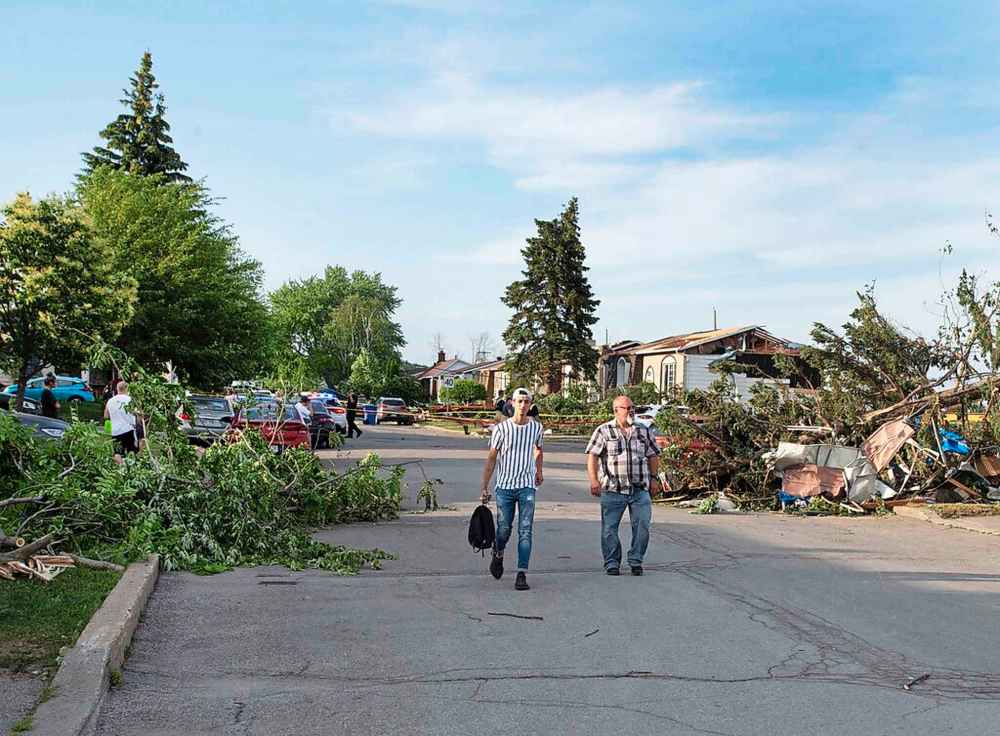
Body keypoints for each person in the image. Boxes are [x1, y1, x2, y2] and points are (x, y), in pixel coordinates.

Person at [585, 395, 662, 576]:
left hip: (639, 489)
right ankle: (612, 562)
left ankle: (636, 560)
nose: (630, 411)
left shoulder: (643, 430)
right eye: (626, 408)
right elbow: (592, 456)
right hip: (613, 489)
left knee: (642, 525)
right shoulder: (604, 431)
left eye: (632, 408)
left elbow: (653, 455)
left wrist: (654, 478)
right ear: (616, 410)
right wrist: (594, 480)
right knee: (609, 528)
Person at [480, 387, 544, 591]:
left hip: (527, 486)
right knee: (504, 528)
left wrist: (538, 470)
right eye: (520, 401)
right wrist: (485, 486)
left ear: (530, 404)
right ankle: (498, 552)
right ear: (512, 403)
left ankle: (521, 573)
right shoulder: (501, 429)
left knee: (525, 530)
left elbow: (538, 449)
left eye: (527, 402)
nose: (523, 405)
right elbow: (492, 458)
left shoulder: (536, 428)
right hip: (505, 487)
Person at [104, 381, 138, 460]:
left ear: (117, 389)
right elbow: (137, 413)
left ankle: (121, 468)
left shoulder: (110, 401)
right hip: (128, 428)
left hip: (115, 430)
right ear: (127, 388)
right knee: (131, 450)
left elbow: (106, 415)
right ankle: (130, 468)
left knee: (117, 452)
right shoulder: (130, 400)